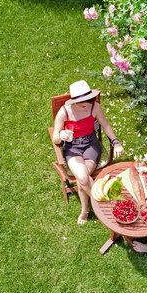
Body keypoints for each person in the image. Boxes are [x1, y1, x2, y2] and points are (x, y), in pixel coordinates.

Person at [52, 80, 124, 225]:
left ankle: (85, 211)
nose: (88, 105)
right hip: (73, 148)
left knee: (82, 179)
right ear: (75, 102)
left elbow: (105, 125)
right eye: (83, 103)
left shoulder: (94, 107)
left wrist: (116, 142)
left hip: (91, 145)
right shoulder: (64, 112)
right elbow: (55, 138)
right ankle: (104, 207)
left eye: (89, 100)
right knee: (83, 178)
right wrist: (61, 135)